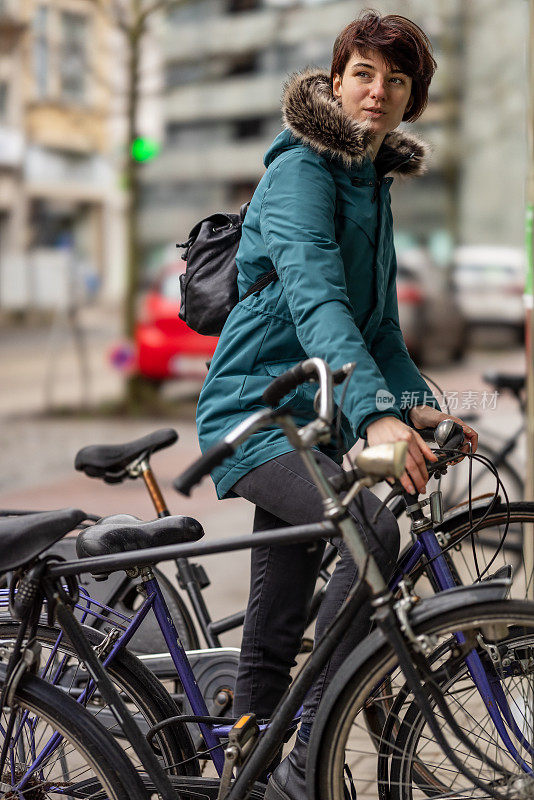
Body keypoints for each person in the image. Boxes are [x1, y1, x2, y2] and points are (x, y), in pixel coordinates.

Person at [196, 11, 478, 800]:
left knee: (279, 611)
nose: (378, 92)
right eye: (364, 73)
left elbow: (377, 328)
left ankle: (243, 778)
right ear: (336, 76)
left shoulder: (370, 181)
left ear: (412, 95)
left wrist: (419, 409)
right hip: (256, 414)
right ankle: (308, 750)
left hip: (310, 415)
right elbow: (320, 303)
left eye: (397, 80)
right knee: (374, 535)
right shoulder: (301, 172)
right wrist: (375, 416)